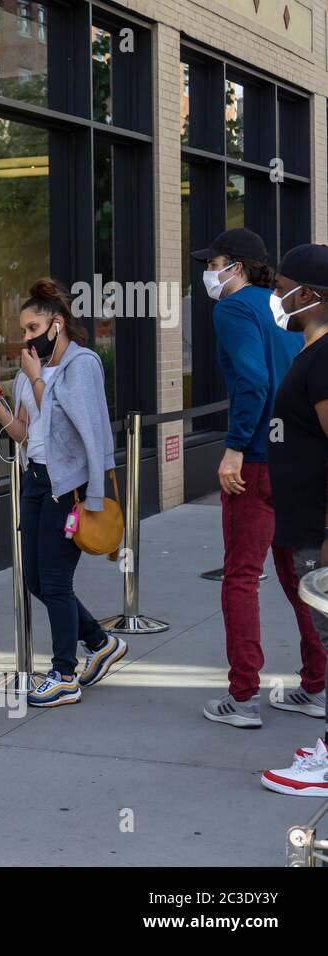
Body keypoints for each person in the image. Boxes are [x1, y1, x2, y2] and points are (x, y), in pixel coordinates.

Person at [188, 228, 324, 728]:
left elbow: (253, 380)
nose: (208, 271)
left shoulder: (232, 308)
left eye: (214, 261)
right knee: (299, 580)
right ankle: (316, 686)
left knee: (241, 577)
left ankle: (242, 698)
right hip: (295, 458)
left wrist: (234, 448)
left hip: (258, 461)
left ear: (237, 266)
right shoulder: (287, 308)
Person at [0, 278, 126, 707]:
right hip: (36, 480)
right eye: (22, 330)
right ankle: (100, 642)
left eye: (33, 328)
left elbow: (77, 425)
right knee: (35, 578)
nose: (26, 338)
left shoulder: (83, 364)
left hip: (69, 485)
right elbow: (25, 433)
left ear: (57, 324)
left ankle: (64, 674)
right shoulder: (29, 373)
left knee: (57, 581)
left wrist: (38, 379)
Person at [259, 244, 328, 796]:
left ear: (311, 296)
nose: (277, 296)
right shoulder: (312, 353)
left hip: (318, 530)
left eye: (284, 287)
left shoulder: (325, 358)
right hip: (305, 522)